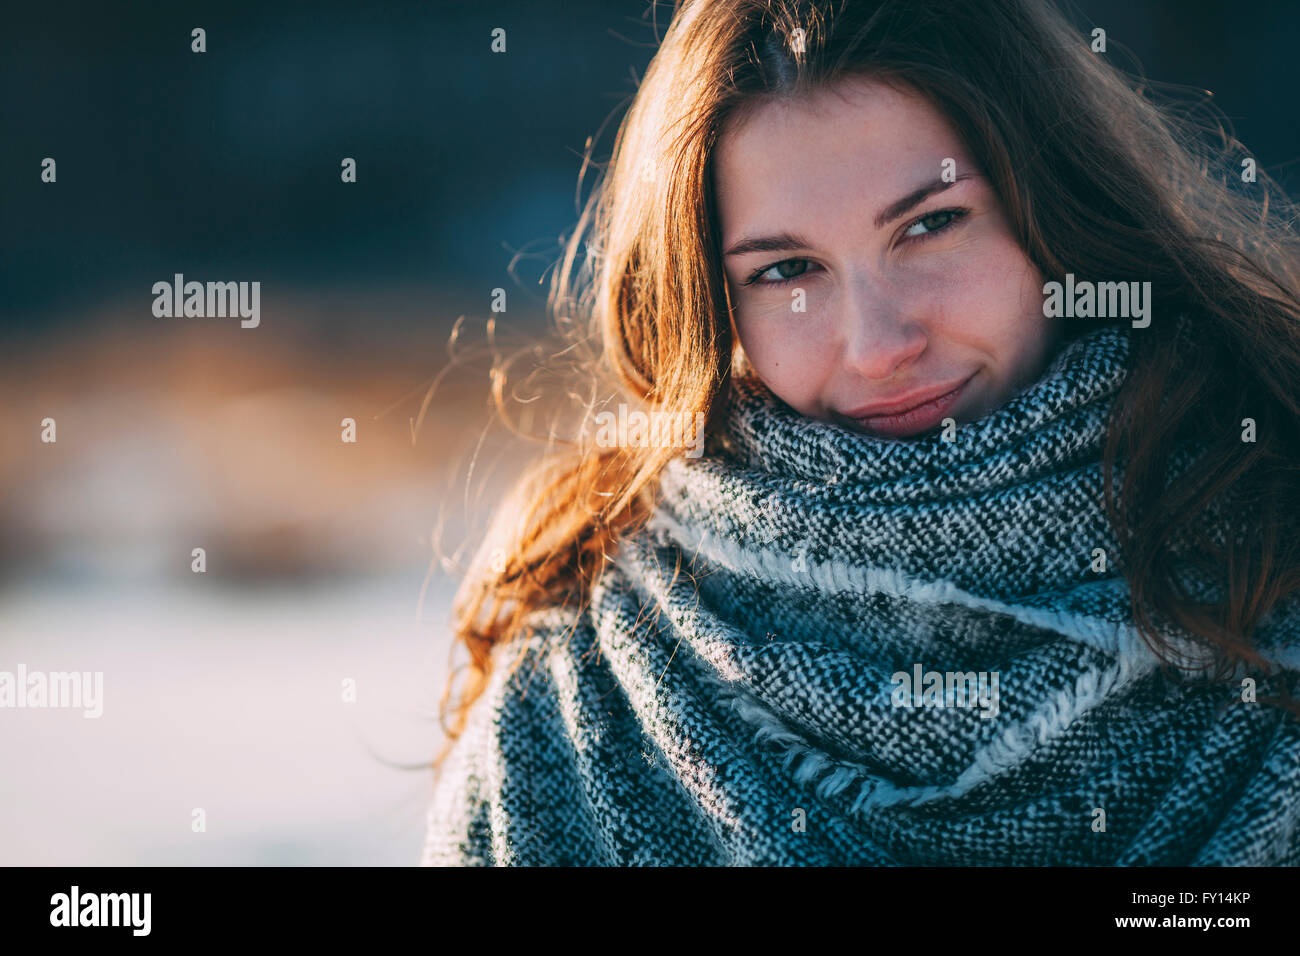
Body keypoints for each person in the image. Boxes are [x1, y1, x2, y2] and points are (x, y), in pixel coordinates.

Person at [422, 0, 1300, 866]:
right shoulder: (576, 712)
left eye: (931, 224)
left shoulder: (1278, 545)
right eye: (787, 271)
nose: (880, 346)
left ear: (1058, 204)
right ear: (710, 304)